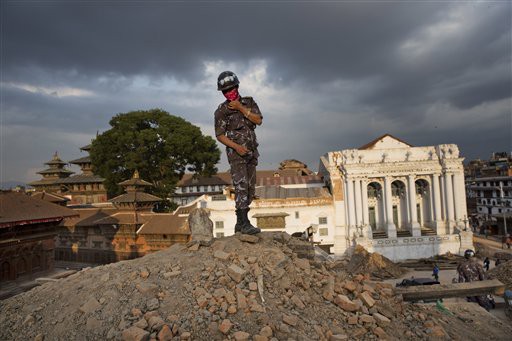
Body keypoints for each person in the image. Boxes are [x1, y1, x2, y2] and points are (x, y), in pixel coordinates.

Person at [214, 71, 262, 235]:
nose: (229, 92)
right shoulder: (221, 111)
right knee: (240, 186)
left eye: (231, 89)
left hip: (251, 151)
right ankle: (244, 222)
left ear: (237, 86)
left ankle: (241, 222)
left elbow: (258, 120)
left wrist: (241, 108)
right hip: (236, 154)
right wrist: (236, 147)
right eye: (226, 91)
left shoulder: (248, 102)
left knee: (250, 187)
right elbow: (220, 135)